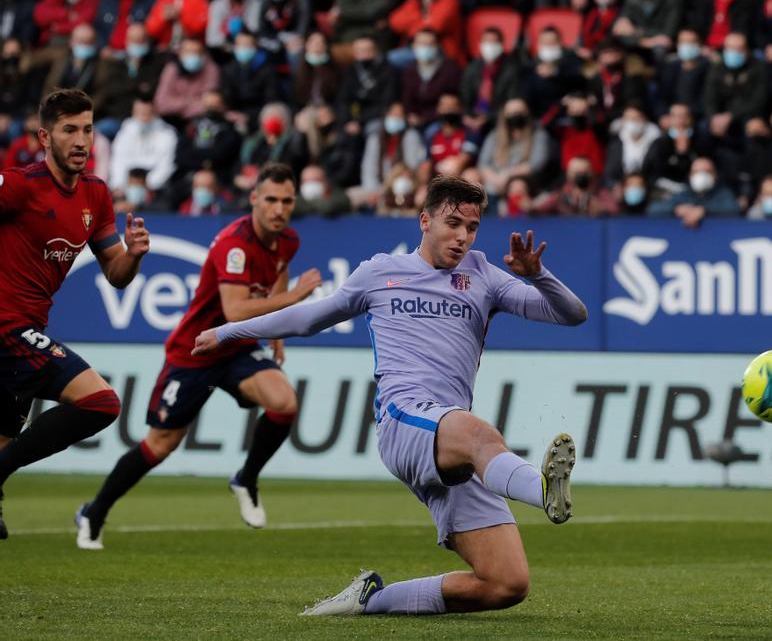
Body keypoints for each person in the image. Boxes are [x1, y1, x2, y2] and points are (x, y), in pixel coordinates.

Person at [192, 177, 585, 616]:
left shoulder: (484, 276)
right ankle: (543, 488)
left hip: (448, 441)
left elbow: (571, 315)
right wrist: (228, 332)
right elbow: (307, 319)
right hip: (405, 422)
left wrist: (539, 276)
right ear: (425, 220)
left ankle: (369, 600)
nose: (462, 236)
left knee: (506, 584)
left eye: (471, 228)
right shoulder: (380, 272)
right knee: (477, 433)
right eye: (452, 223)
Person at [76, 163, 322, 550]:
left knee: (284, 403)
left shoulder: (286, 239)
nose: (279, 208)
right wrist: (294, 299)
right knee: (161, 444)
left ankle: (246, 479)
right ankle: (94, 511)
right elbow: (236, 310)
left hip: (236, 347)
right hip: (195, 350)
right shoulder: (233, 244)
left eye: (287, 201)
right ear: (254, 199)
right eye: (271, 199)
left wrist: (276, 332)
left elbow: (278, 272)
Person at [0, 89, 151, 539]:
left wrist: (135, 255)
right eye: (69, 130)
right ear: (45, 137)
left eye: (87, 128)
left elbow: (117, 274)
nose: (81, 139)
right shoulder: (20, 185)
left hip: (27, 332)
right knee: (101, 402)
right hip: (7, 327)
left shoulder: (96, 195)